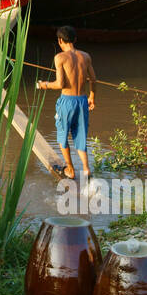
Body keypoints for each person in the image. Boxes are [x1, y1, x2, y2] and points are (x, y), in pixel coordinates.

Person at [36, 25, 96, 184]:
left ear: (60, 40)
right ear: (75, 39)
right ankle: (86, 168)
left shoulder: (60, 58)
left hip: (67, 102)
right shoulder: (86, 56)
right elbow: (93, 80)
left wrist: (44, 85)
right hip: (82, 100)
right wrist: (92, 97)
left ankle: (70, 170)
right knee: (80, 135)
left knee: (63, 135)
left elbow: (60, 84)